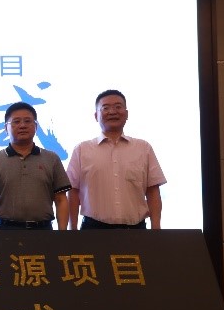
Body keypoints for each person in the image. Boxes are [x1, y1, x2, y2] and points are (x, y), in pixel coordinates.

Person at [66, 89, 166, 230]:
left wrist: (156, 229)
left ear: (127, 114)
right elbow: (73, 192)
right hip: (93, 230)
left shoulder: (143, 148)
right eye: (105, 108)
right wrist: (72, 229)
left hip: (136, 230)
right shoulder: (82, 149)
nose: (112, 112)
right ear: (96, 116)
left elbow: (153, 191)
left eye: (118, 107)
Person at [0, 102, 70, 231]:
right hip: (5, 230)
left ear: (36, 126)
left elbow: (61, 200)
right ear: (6, 128)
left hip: (43, 231)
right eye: (16, 122)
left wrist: (63, 234)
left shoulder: (52, 159)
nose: (22, 125)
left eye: (28, 121)